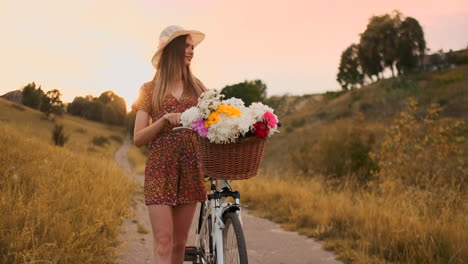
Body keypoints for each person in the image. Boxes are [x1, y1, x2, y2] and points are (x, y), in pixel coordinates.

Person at [131, 25, 207, 264]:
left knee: (178, 244)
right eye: (186, 45)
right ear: (173, 49)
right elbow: (138, 138)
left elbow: (211, 125)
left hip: (190, 167)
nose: (191, 50)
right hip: (159, 170)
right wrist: (163, 120)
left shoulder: (198, 88)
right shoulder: (149, 90)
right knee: (164, 240)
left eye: (192, 46)